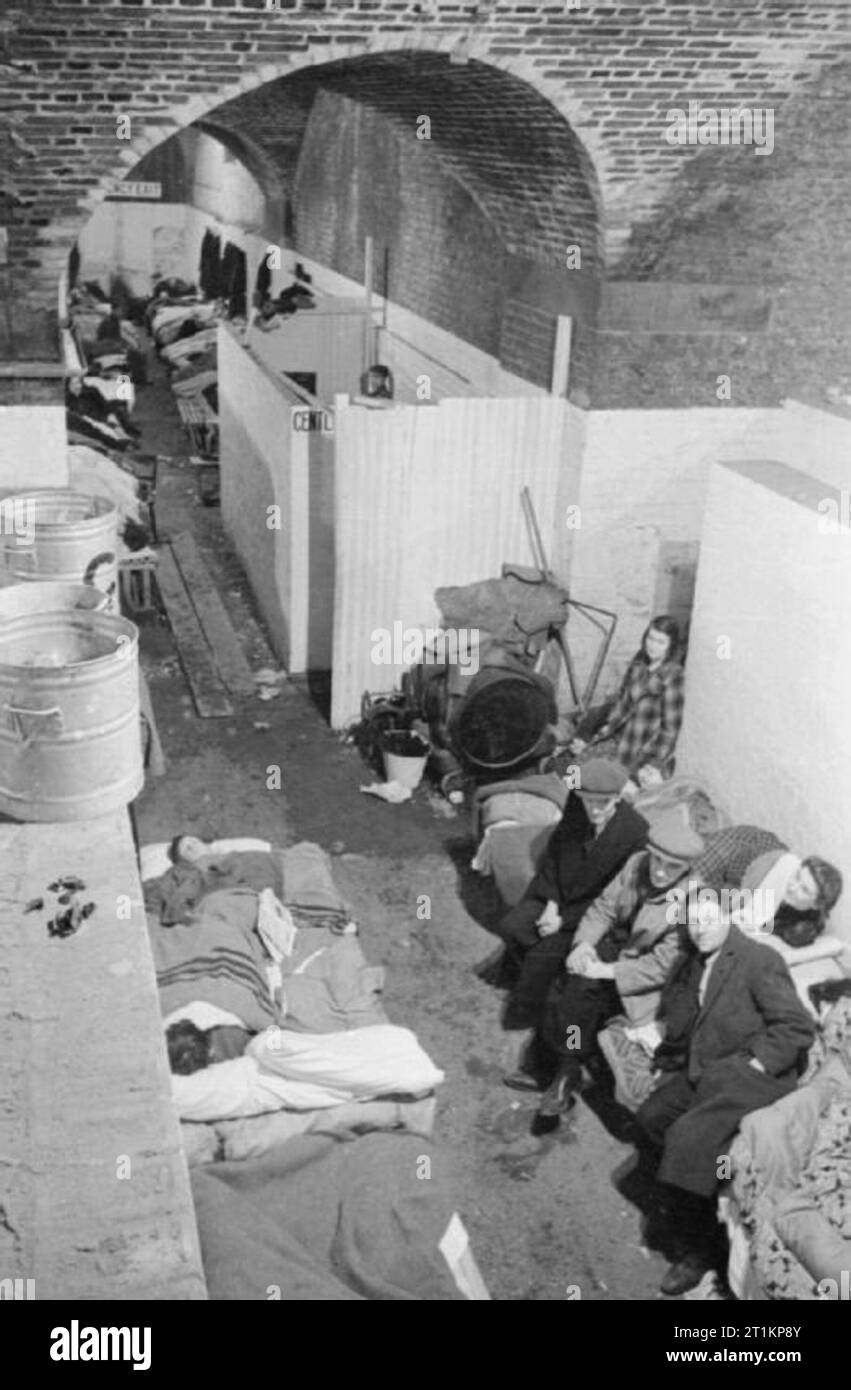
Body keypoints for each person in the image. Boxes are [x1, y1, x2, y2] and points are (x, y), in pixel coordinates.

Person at [635, 889, 815, 1296]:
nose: (700, 929)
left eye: (708, 919)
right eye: (693, 921)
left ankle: (701, 1250)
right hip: (706, 1070)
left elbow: (796, 1026)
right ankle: (686, 1196)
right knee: (651, 1118)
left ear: (729, 916)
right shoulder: (695, 959)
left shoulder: (758, 959)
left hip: (751, 1077)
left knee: (686, 1139)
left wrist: (756, 1062)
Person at [518, 809, 705, 1121]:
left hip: (643, 976)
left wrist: (605, 970)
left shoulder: (689, 903)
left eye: (672, 867)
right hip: (613, 946)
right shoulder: (636, 864)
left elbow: (661, 966)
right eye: (657, 860)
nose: (660, 872)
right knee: (568, 973)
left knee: (578, 990)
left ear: (686, 869)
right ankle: (563, 1070)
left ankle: (563, 1072)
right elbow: (604, 908)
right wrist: (584, 945)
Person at [490, 759, 648, 1077]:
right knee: (513, 926)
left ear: (618, 799)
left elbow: (611, 899)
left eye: (603, 804)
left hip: (589, 914)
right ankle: (528, 982)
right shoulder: (577, 807)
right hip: (557, 894)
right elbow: (556, 854)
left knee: (543, 955)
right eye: (590, 802)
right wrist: (549, 903)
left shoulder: (634, 833)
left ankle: (534, 1014)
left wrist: (564, 920)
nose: (595, 811)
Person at [570, 615, 685, 786]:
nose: (652, 645)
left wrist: (650, 763)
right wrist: (601, 733)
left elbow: (670, 729)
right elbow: (621, 702)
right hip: (614, 739)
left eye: (661, 642)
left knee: (596, 787)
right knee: (573, 774)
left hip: (637, 751)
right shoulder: (639, 663)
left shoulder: (673, 675)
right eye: (650, 638)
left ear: (671, 647)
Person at [736, 849, 842, 949]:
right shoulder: (785, 872)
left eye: (804, 889)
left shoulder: (800, 929)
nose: (792, 887)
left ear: (816, 904)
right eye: (797, 876)